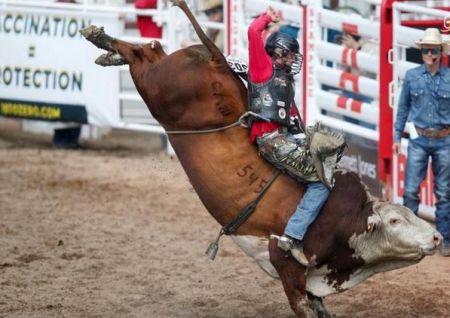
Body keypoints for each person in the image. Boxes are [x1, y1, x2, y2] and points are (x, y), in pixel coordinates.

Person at [247, 7, 345, 266]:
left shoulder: (283, 80)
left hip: (283, 139)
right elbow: (252, 32)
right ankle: (292, 236)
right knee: (321, 182)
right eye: (290, 55)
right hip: (271, 140)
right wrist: (268, 18)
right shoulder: (262, 68)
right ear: (279, 53)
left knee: (329, 158)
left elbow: (292, 121)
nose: (293, 60)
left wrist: (305, 138)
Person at [394, 28, 450, 257]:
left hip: (444, 139)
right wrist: (397, 135)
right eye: (427, 49)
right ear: (423, 52)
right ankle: (411, 240)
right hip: (419, 138)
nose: (430, 53)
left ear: (440, 51)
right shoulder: (412, 76)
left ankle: (444, 239)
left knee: (445, 192)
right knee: (410, 191)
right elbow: (403, 107)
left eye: (433, 49)